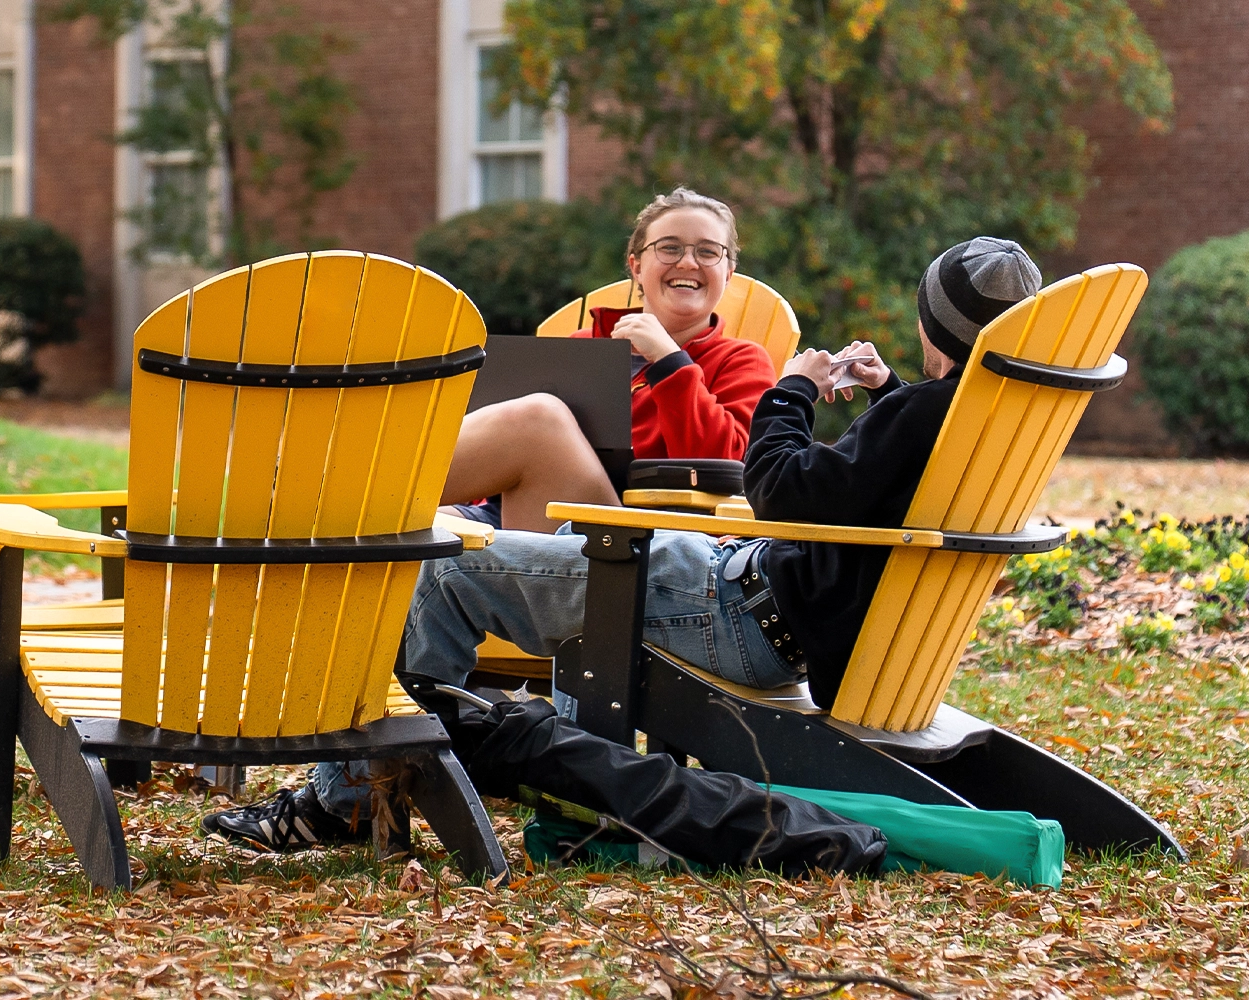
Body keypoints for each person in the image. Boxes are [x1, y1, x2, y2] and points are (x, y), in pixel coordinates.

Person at [204, 236, 1045, 853]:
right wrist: (887, 391)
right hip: (730, 587)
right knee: (510, 543)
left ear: (934, 322)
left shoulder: (918, 413)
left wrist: (794, 390)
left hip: (734, 613)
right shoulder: (972, 418)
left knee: (439, 575)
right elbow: (891, 471)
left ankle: (344, 802)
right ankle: (371, 780)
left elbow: (778, 487)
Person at [447, 188, 777, 532]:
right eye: (669, 248)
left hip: (628, 537)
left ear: (728, 273)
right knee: (406, 532)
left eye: (708, 252)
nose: (688, 262)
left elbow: (728, 470)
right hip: (510, 511)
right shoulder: (581, 347)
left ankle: (389, 487)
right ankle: (389, 497)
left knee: (540, 418)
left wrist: (670, 362)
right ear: (636, 265)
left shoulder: (742, 361)